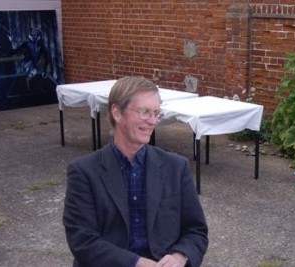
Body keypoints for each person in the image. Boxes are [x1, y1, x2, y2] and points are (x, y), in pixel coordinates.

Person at [63, 76, 208, 267]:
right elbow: (82, 240)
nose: (152, 121)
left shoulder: (175, 167)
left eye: (156, 113)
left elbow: (196, 230)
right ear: (117, 112)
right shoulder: (84, 171)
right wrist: (136, 263)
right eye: (144, 112)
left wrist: (180, 257)